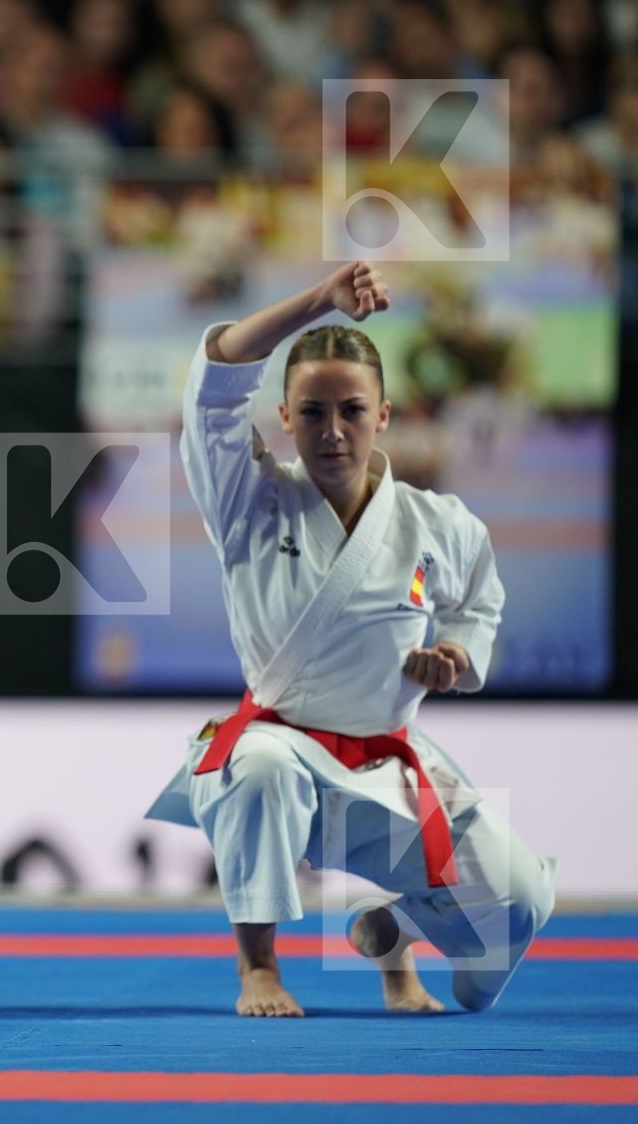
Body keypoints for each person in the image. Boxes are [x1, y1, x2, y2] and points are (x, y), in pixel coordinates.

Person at [146, 261, 557, 1017]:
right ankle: (258, 970)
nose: (332, 432)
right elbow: (214, 382)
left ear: (385, 416)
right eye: (311, 412)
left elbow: (479, 606)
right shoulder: (249, 500)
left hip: (387, 761)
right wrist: (314, 301)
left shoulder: (442, 523)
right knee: (262, 766)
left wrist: (458, 658)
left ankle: (393, 928)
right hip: (283, 750)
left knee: (524, 904)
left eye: (352, 411)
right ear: (286, 417)